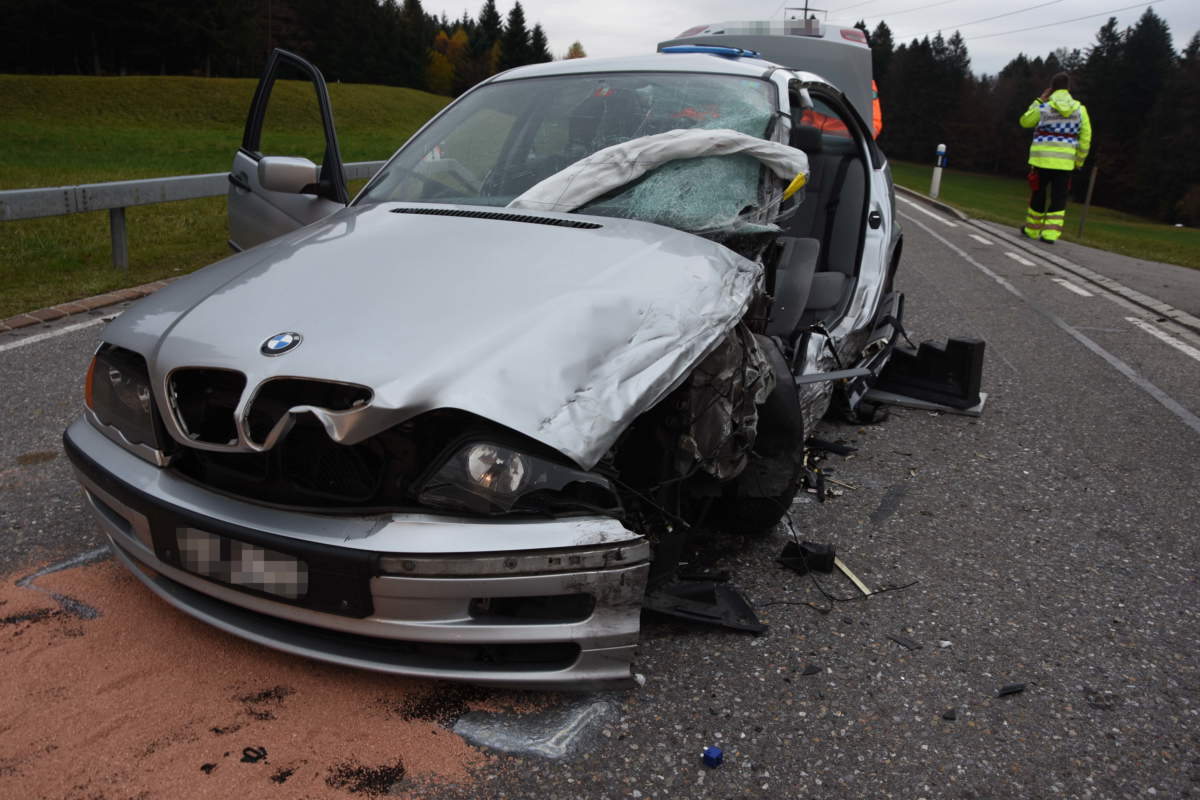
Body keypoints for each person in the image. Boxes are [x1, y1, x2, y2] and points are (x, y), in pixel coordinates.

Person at [1019, 72, 1092, 243]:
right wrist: (1079, 161)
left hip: (1041, 160)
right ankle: (1050, 234)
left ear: (1051, 89)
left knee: (1038, 194)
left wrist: (1039, 100)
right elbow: (1085, 139)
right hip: (1065, 164)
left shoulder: (1044, 108)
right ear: (1068, 88)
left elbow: (1025, 121)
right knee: (1059, 198)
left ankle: (1032, 230)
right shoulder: (1080, 110)